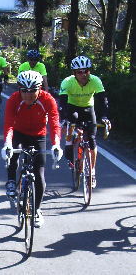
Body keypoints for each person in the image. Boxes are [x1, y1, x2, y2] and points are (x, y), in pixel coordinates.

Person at [1, 70, 62, 228]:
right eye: (24, 91)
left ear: (40, 89)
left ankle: (36, 210)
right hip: (18, 132)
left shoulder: (47, 99)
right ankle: (11, 181)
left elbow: (55, 123)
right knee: (12, 155)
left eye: (33, 91)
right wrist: (7, 143)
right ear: (19, 89)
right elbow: (8, 124)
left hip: (38, 135)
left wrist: (56, 144)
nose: (28, 95)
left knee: (39, 174)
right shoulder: (14, 99)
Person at [59, 55, 111, 188]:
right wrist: (64, 119)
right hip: (72, 108)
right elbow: (62, 103)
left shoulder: (95, 81)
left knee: (92, 140)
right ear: (74, 73)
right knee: (71, 131)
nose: (83, 74)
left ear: (89, 71)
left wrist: (104, 117)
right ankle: (71, 155)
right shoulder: (67, 82)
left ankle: (92, 172)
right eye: (79, 72)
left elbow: (103, 100)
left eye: (86, 71)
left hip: (88, 109)